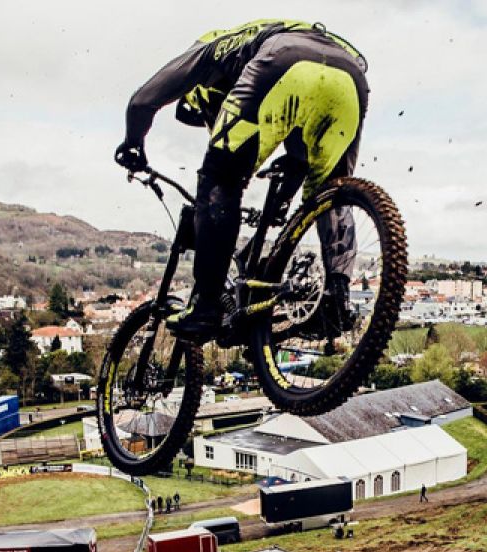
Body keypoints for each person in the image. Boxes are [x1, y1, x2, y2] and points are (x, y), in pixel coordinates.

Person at [115, 19, 370, 340]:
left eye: (210, 112)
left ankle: (207, 306)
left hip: (283, 60)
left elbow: (142, 100)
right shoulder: (262, 39)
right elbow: (298, 136)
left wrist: (133, 144)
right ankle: (336, 300)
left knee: (219, 180)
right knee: (330, 194)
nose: (213, 120)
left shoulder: (209, 51)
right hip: (351, 78)